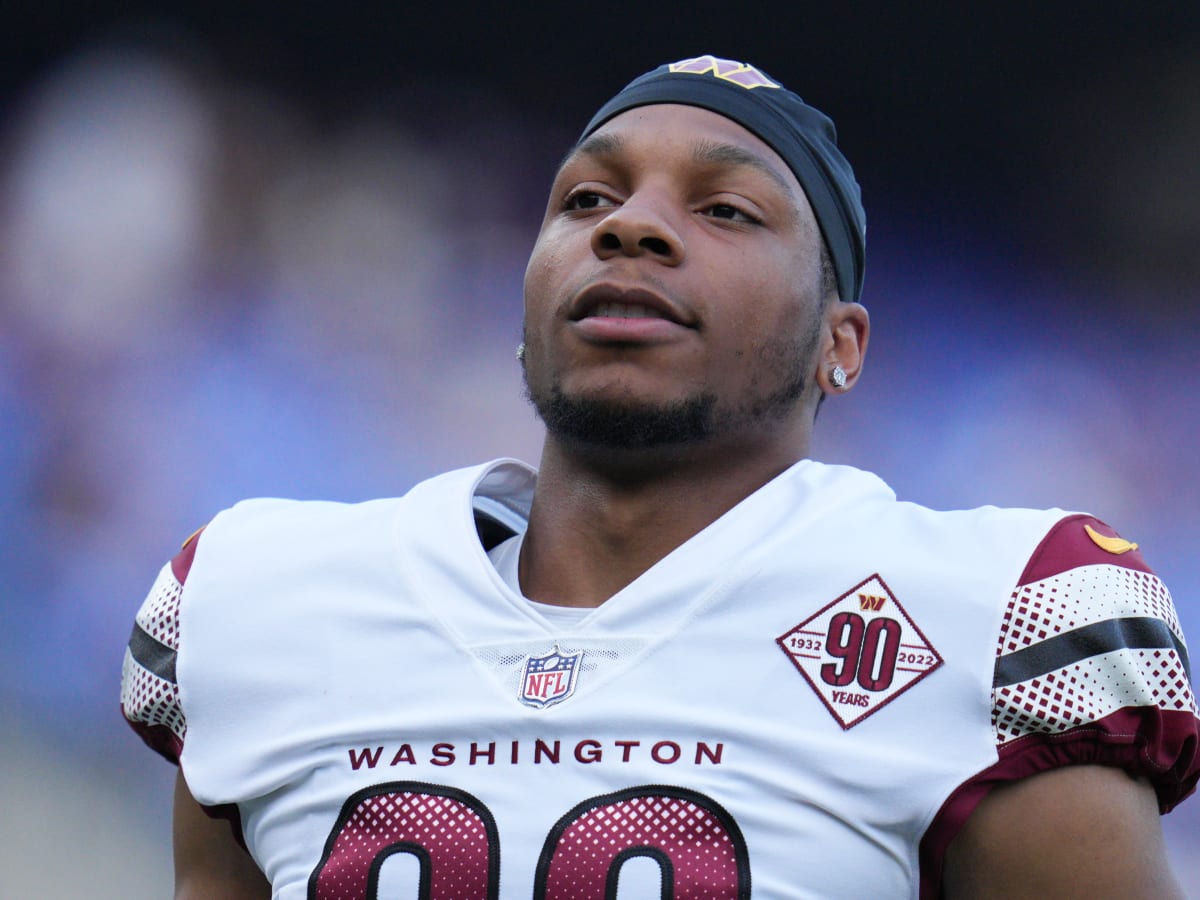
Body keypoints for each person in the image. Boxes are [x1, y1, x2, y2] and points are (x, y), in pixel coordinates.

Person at [121, 55, 1200, 899]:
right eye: (586, 201)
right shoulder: (260, 602)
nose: (630, 225)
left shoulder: (995, 623)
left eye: (726, 210)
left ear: (843, 346)